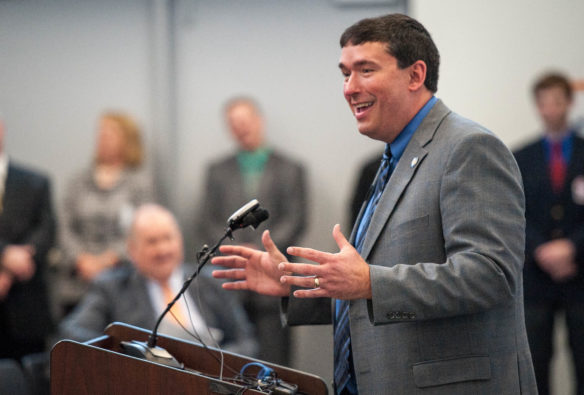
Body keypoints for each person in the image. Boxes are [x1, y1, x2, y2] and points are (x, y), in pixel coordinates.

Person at [211, 13, 537, 394]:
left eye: (365, 70)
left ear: (416, 75)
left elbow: (490, 275)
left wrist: (371, 283)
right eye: (345, 73)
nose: (350, 88)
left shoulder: (468, 149)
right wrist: (295, 284)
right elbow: (367, 289)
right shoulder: (392, 159)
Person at [60, 204, 257, 357]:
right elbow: (72, 333)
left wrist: (215, 364)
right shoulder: (112, 288)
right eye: (152, 242)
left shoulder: (211, 280)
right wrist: (127, 352)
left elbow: (246, 342)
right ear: (132, 249)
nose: (163, 250)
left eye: (168, 238)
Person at [197, 97, 307, 365]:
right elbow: (208, 220)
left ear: (260, 121)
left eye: (245, 121)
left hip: (276, 280)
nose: (241, 128)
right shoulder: (216, 171)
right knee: (231, 364)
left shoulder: (290, 169)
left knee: (276, 362)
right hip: (229, 282)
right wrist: (237, 251)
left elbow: (296, 219)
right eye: (234, 123)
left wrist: (260, 249)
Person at [514, 72, 584, 395]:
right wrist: (541, 249)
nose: (550, 109)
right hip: (536, 276)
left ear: (569, 103)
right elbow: (515, 213)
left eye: (557, 100)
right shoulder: (520, 157)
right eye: (543, 102)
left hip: (580, 273)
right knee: (536, 362)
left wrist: (572, 248)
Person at [56, 111, 155, 316]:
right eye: (100, 134)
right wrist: (82, 260)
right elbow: (64, 226)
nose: (103, 139)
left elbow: (144, 228)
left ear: (126, 141)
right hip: (77, 282)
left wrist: (108, 260)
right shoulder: (78, 180)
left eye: (110, 134)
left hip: (123, 280)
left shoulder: (139, 183)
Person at [0, 117, 56, 359]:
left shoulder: (35, 181)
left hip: (27, 303)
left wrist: (13, 267)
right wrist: (4, 255)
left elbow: (47, 229)